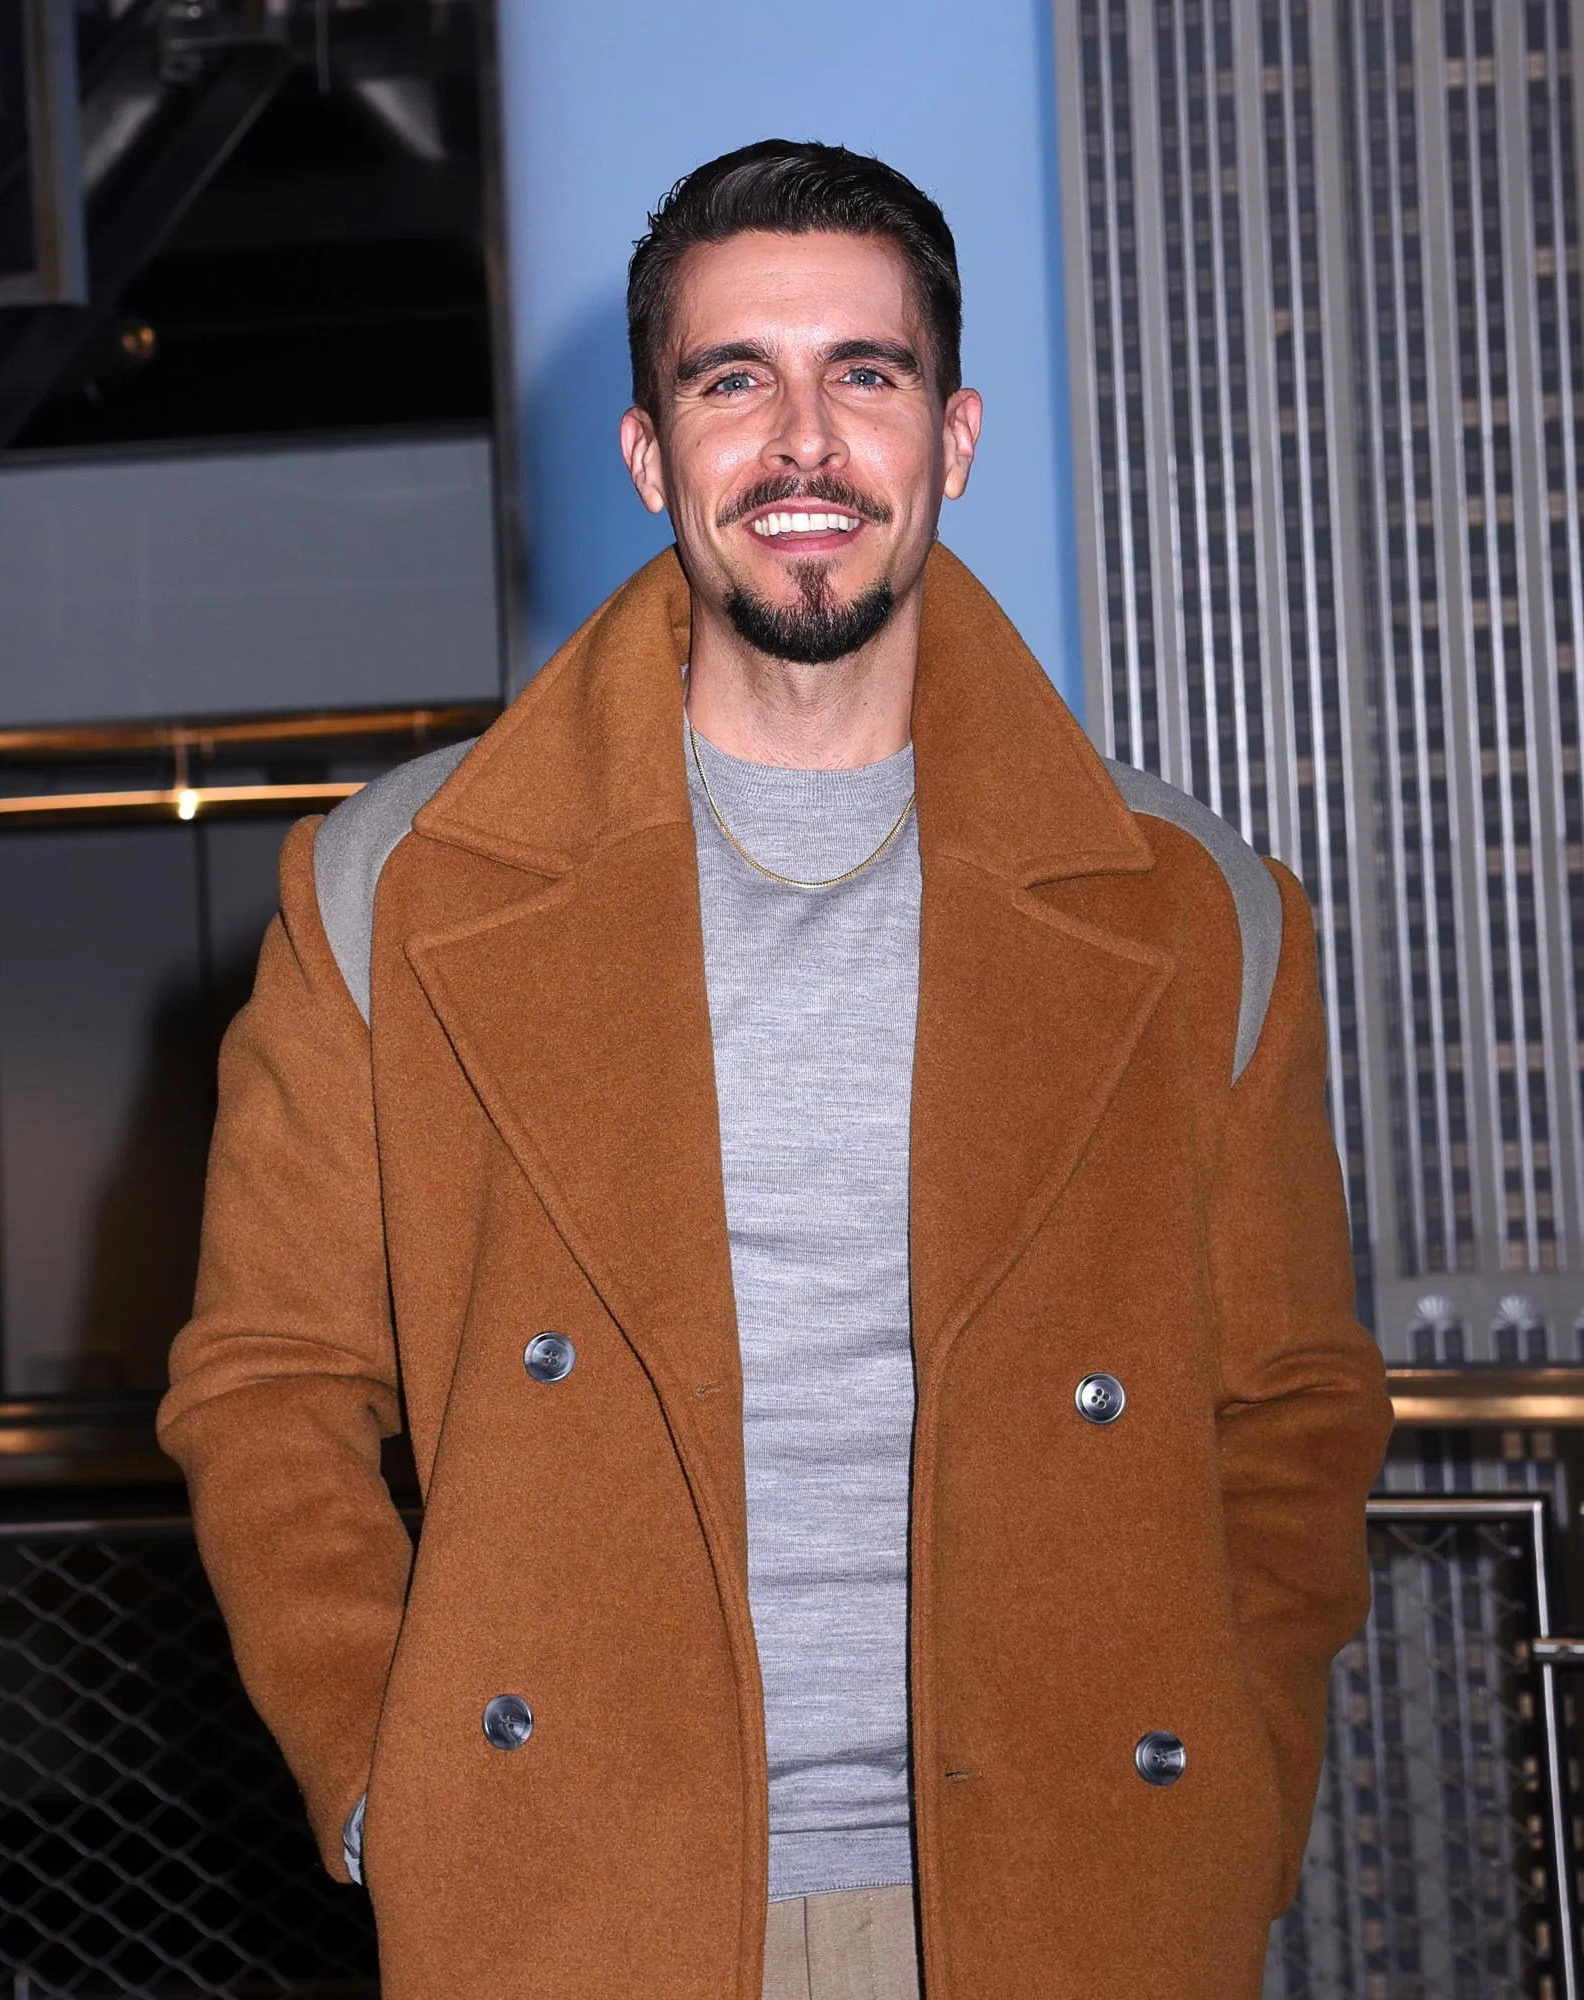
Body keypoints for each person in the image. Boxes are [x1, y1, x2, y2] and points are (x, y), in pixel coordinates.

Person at [159, 140, 1393, 2000]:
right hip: (579, 1896)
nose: (803, 443)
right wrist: (386, 1778)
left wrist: (1235, 1790)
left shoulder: (1196, 908)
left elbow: (1291, 1403)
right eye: (733, 380)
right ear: (651, 454)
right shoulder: (391, 886)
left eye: (862, 374)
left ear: (952, 439)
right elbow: (267, 1384)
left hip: (1069, 1894)